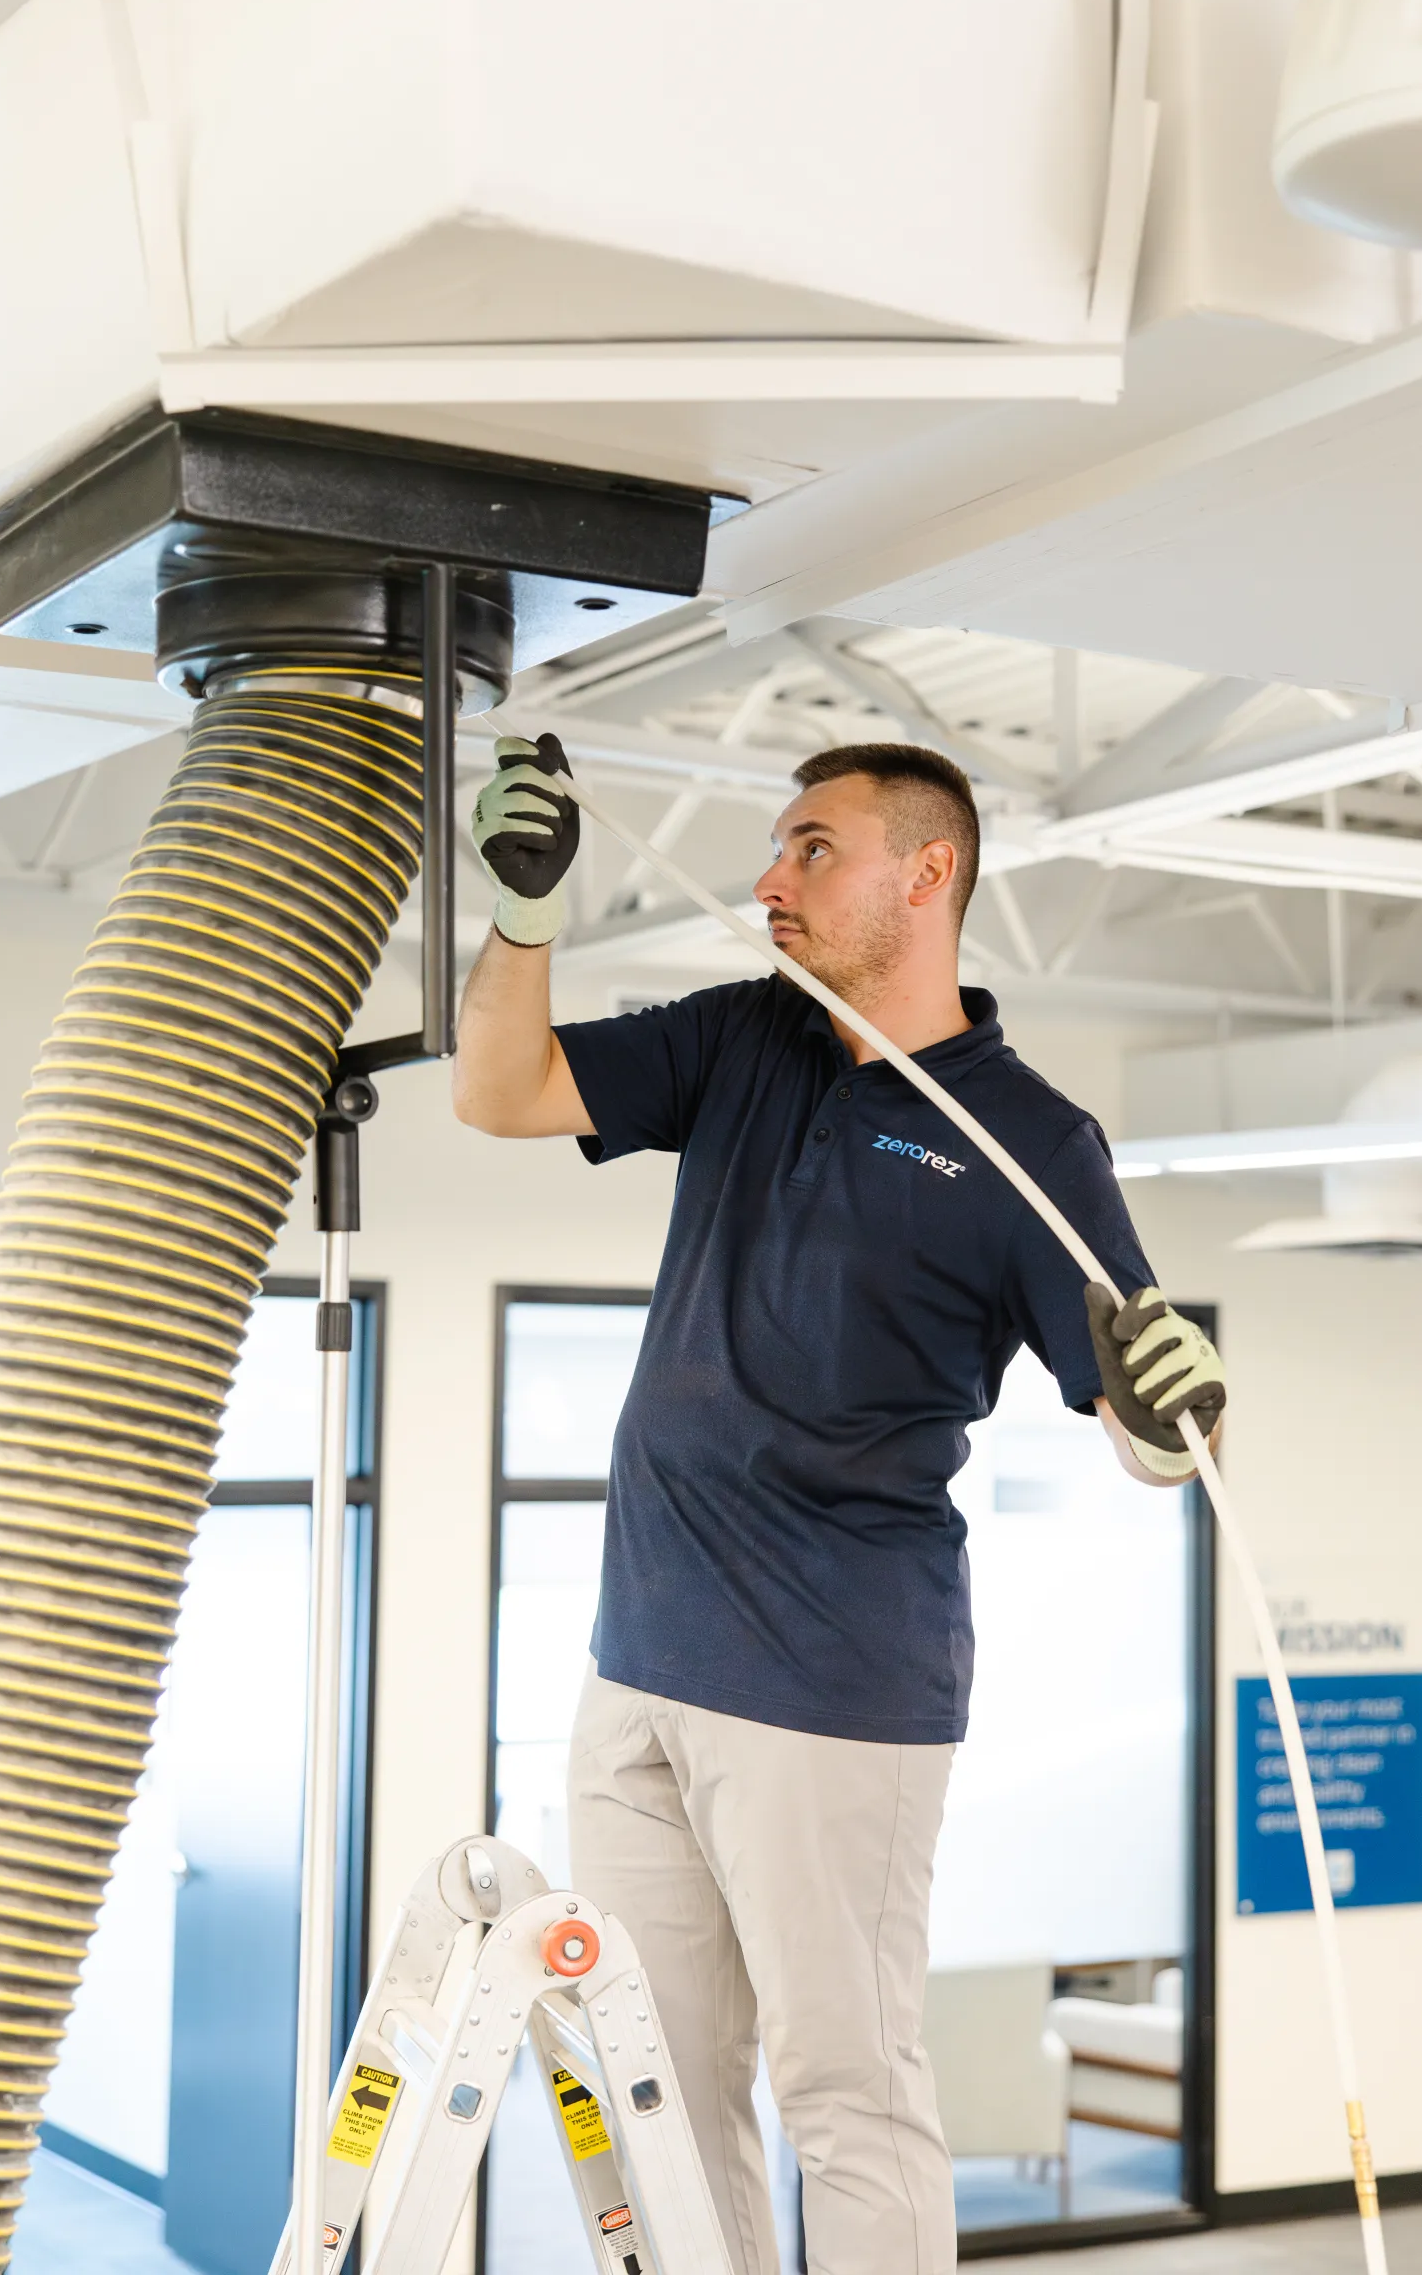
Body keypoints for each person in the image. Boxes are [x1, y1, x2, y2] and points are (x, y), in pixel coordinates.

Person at [454, 731, 1225, 2275]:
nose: (769, 879)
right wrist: (523, 915)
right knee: (657, 2092)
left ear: (926, 873)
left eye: (813, 847)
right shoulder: (750, 1039)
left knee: (846, 2095)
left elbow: (1157, 1438)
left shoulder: (1033, 1143)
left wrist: (1169, 1397)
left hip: (831, 1695)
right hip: (637, 1668)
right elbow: (502, 1090)